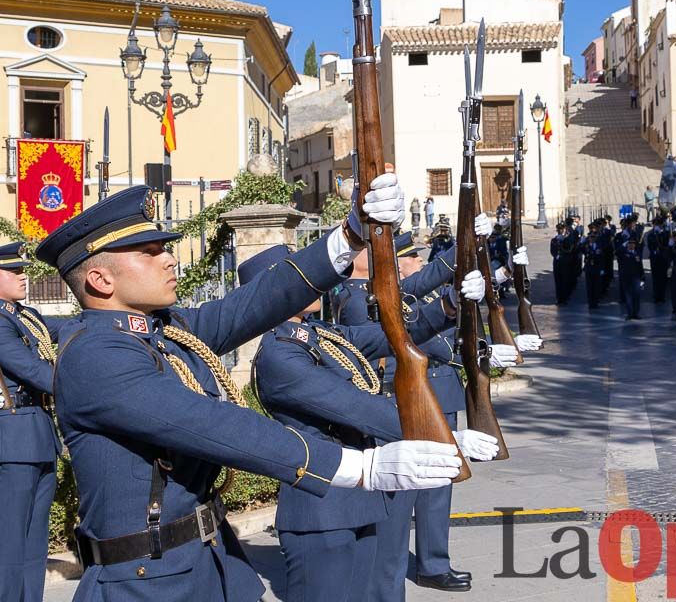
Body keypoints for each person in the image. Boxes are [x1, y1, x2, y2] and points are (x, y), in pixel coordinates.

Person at [41, 180, 463, 602]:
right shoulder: (95, 356)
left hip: (210, 563)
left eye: (164, 248)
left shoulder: (164, 332)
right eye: (150, 253)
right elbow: (210, 423)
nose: (169, 260)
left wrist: (350, 236)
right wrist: (357, 467)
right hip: (144, 582)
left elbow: (258, 300)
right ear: (99, 279)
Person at [247, 244, 501, 602]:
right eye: (297, 276)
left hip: (359, 502)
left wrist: (450, 305)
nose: (310, 281)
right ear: (275, 292)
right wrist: (446, 436)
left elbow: (392, 337)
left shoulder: (318, 335)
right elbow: (355, 407)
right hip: (322, 512)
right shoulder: (280, 355)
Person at [0, 242, 71, 602]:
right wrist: (89, 382)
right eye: (13, 272)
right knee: (10, 546)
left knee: (34, 545)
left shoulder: (26, 316)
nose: (23, 277)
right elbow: (35, 372)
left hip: (39, 435)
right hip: (12, 439)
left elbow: (72, 325)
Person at [614, 216, 645, 320]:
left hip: (635, 273)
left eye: (634, 224)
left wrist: (642, 277)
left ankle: (636, 313)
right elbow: (616, 252)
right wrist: (624, 244)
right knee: (628, 295)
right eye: (632, 224)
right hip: (625, 270)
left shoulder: (635, 236)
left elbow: (640, 260)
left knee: (636, 295)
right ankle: (630, 313)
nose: (634, 226)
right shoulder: (621, 237)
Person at [647, 215, 671, 304]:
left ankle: (662, 296)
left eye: (659, 224)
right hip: (655, 258)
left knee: (663, 278)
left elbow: (666, 244)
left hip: (664, 257)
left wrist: (661, 234)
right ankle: (656, 296)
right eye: (656, 224)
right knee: (655, 277)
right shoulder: (651, 234)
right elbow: (650, 245)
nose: (657, 226)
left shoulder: (666, 233)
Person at [550, 222, 575, 305]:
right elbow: (552, 251)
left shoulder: (567, 239)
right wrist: (556, 255)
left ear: (564, 229)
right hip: (557, 262)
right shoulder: (554, 240)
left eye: (562, 229)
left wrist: (563, 240)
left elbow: (569, 250)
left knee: (565, 280)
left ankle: (564, 298)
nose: (560, 231)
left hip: (565, 262)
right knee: (558, 280)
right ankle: (559, 298)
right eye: (559, 229)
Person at [583, 222, 606, 310]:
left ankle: (595, 301)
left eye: (593, 238)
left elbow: (602, 258)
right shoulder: (586, 246)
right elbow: (581, 250)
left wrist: (602, 269)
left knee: (596, 286)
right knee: (589, 286)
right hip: (589, 267)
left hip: (597, 268)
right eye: (590, 238)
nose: (592, 239)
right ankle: (590, 302)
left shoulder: (599, 246)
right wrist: (583, 242)